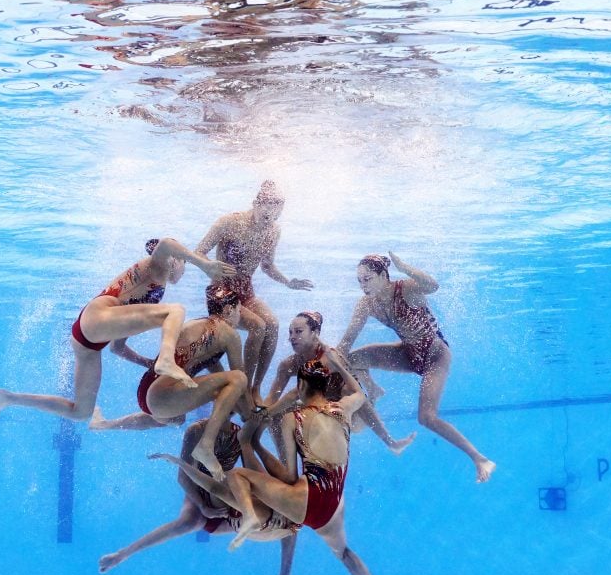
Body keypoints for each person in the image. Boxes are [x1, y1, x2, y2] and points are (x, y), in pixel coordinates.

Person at [168, 355, 405, 575]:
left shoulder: (295, 418)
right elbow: (359, 393)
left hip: (306, 501)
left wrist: (254, 444)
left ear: (302, 386)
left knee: (238, 477)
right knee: (344, 554)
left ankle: (249, 518)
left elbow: (288, 477)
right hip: (332, 507)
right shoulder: (344, 410)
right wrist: (339, 364)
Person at [0, 238, 234, 421]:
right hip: (96, 318)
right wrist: (205, 265)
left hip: (88, 343)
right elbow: (166, 243)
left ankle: (9, 398)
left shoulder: (151, 297)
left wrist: (147, 362)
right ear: (174, 262)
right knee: (176, 311)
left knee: (81, 412)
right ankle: (167, 361)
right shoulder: (156, 269)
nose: (184, 270)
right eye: (184, 265)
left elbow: (117, 347)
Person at [99, 417, 302, 575]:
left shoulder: (238, 432)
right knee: (188, 522)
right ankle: (122, 554)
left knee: (286, 513)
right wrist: (202, 506)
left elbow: (249, 474)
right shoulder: (196, 430)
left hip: (226, 492)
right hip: (199, 491)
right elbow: (183, 477)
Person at [337, 252, 495, 483]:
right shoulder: (366, 304)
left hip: (436, 356)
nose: (363, 286)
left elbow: (433, 285)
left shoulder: (406, 289)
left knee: (427, 417)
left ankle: (479, 458)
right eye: (359, 280)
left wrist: (404, 266)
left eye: (368, 279)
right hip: (408, 353)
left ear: (383, 275)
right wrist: (322, 360)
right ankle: (374, 391)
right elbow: (346, 342)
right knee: (350, 359)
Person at [93, 284, 254, 479]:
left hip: (148, 390)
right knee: (239, 378)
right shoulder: (228, 333)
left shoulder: (200, 325)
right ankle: (206, 445)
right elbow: (239, 382)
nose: (240, 316)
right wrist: (251, 415)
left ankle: (104, 424)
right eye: (239, 310)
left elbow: (218, 383)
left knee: (178, 418)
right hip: (161, 395)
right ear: (229, 309)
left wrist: (239, 406)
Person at [195, 180, 313, 397]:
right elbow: (199, 252)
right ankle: (242, 387)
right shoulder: (229, 222)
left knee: (273, 325)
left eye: (276, 209)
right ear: (255, 203)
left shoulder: (273, 232)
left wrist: (288, 282)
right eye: (266, 207)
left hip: (245, 290)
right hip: (221, 291)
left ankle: (255, 387)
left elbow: (267, 266)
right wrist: (208, 267)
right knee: (258, 326)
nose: (270, 214)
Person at [263, 311, 415, 454]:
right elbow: (271, 400)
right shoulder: (288, 365)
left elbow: (358, 400)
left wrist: (390, 442)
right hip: (321, 411)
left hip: (351, 417)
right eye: (290, 332)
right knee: (277, 415)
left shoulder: (328, 358)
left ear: (314, 334)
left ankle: (372, 392)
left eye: (298, 331)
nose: (292, 337)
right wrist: (258, 413)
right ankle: (286, 472)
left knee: (346, 391)